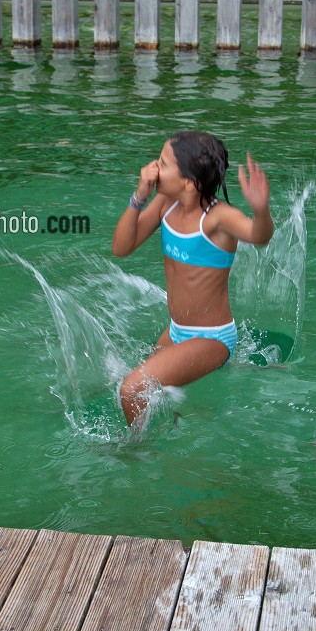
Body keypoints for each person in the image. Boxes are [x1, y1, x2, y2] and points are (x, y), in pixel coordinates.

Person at [111, 131, 273, 429]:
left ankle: (138, 451)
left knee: (131, 388)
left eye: (163, 162)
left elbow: (259, 237)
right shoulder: (164, 204)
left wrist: (261, 209)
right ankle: (177, 421)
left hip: (211, 338)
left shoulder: (218, 218)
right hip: (176, 330)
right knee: (138, 382)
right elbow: (121, 248)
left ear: (188, 182)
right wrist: (139, 197)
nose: (153, 167)